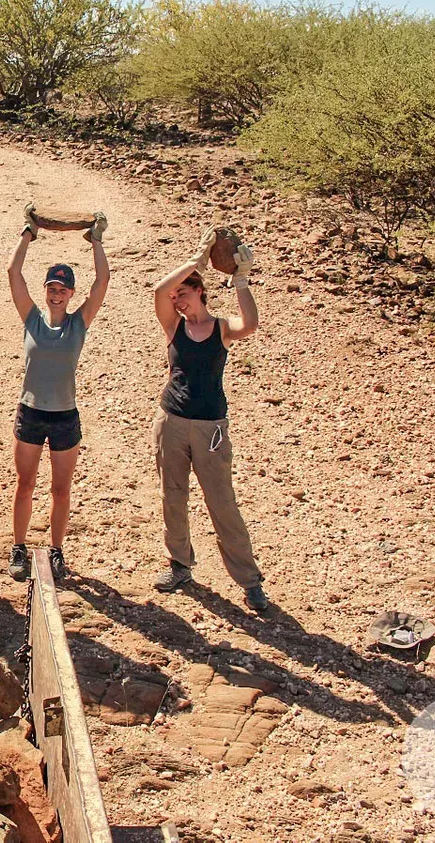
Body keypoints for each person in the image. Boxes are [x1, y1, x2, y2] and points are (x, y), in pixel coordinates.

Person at [151, 229, 270, 612]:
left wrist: (240, 280)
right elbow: (157, 291)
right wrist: (195, 261)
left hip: (211, 428)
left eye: (183, 294)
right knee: (174, 496)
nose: (177, 301)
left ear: (200, 291)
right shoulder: (175, 326)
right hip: (171, 420)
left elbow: (250, 323)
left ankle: (249, 581)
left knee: (222, 504)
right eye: (176, 298)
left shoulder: (219, 328)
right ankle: (180, 564)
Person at [6, 209, 109, 582]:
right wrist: (28, 233)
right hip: (31, 412)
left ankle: (56, 551)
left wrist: (96, 241)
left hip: (65, 415)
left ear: (70, 294)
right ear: (46, 289)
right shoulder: (31, 318)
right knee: (25, 483)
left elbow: (102, 283)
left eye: (62, 289)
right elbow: (13, 274)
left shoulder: (78, 324)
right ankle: (18, 548)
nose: (56, 293)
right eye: (52, 287)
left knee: (61, 489)